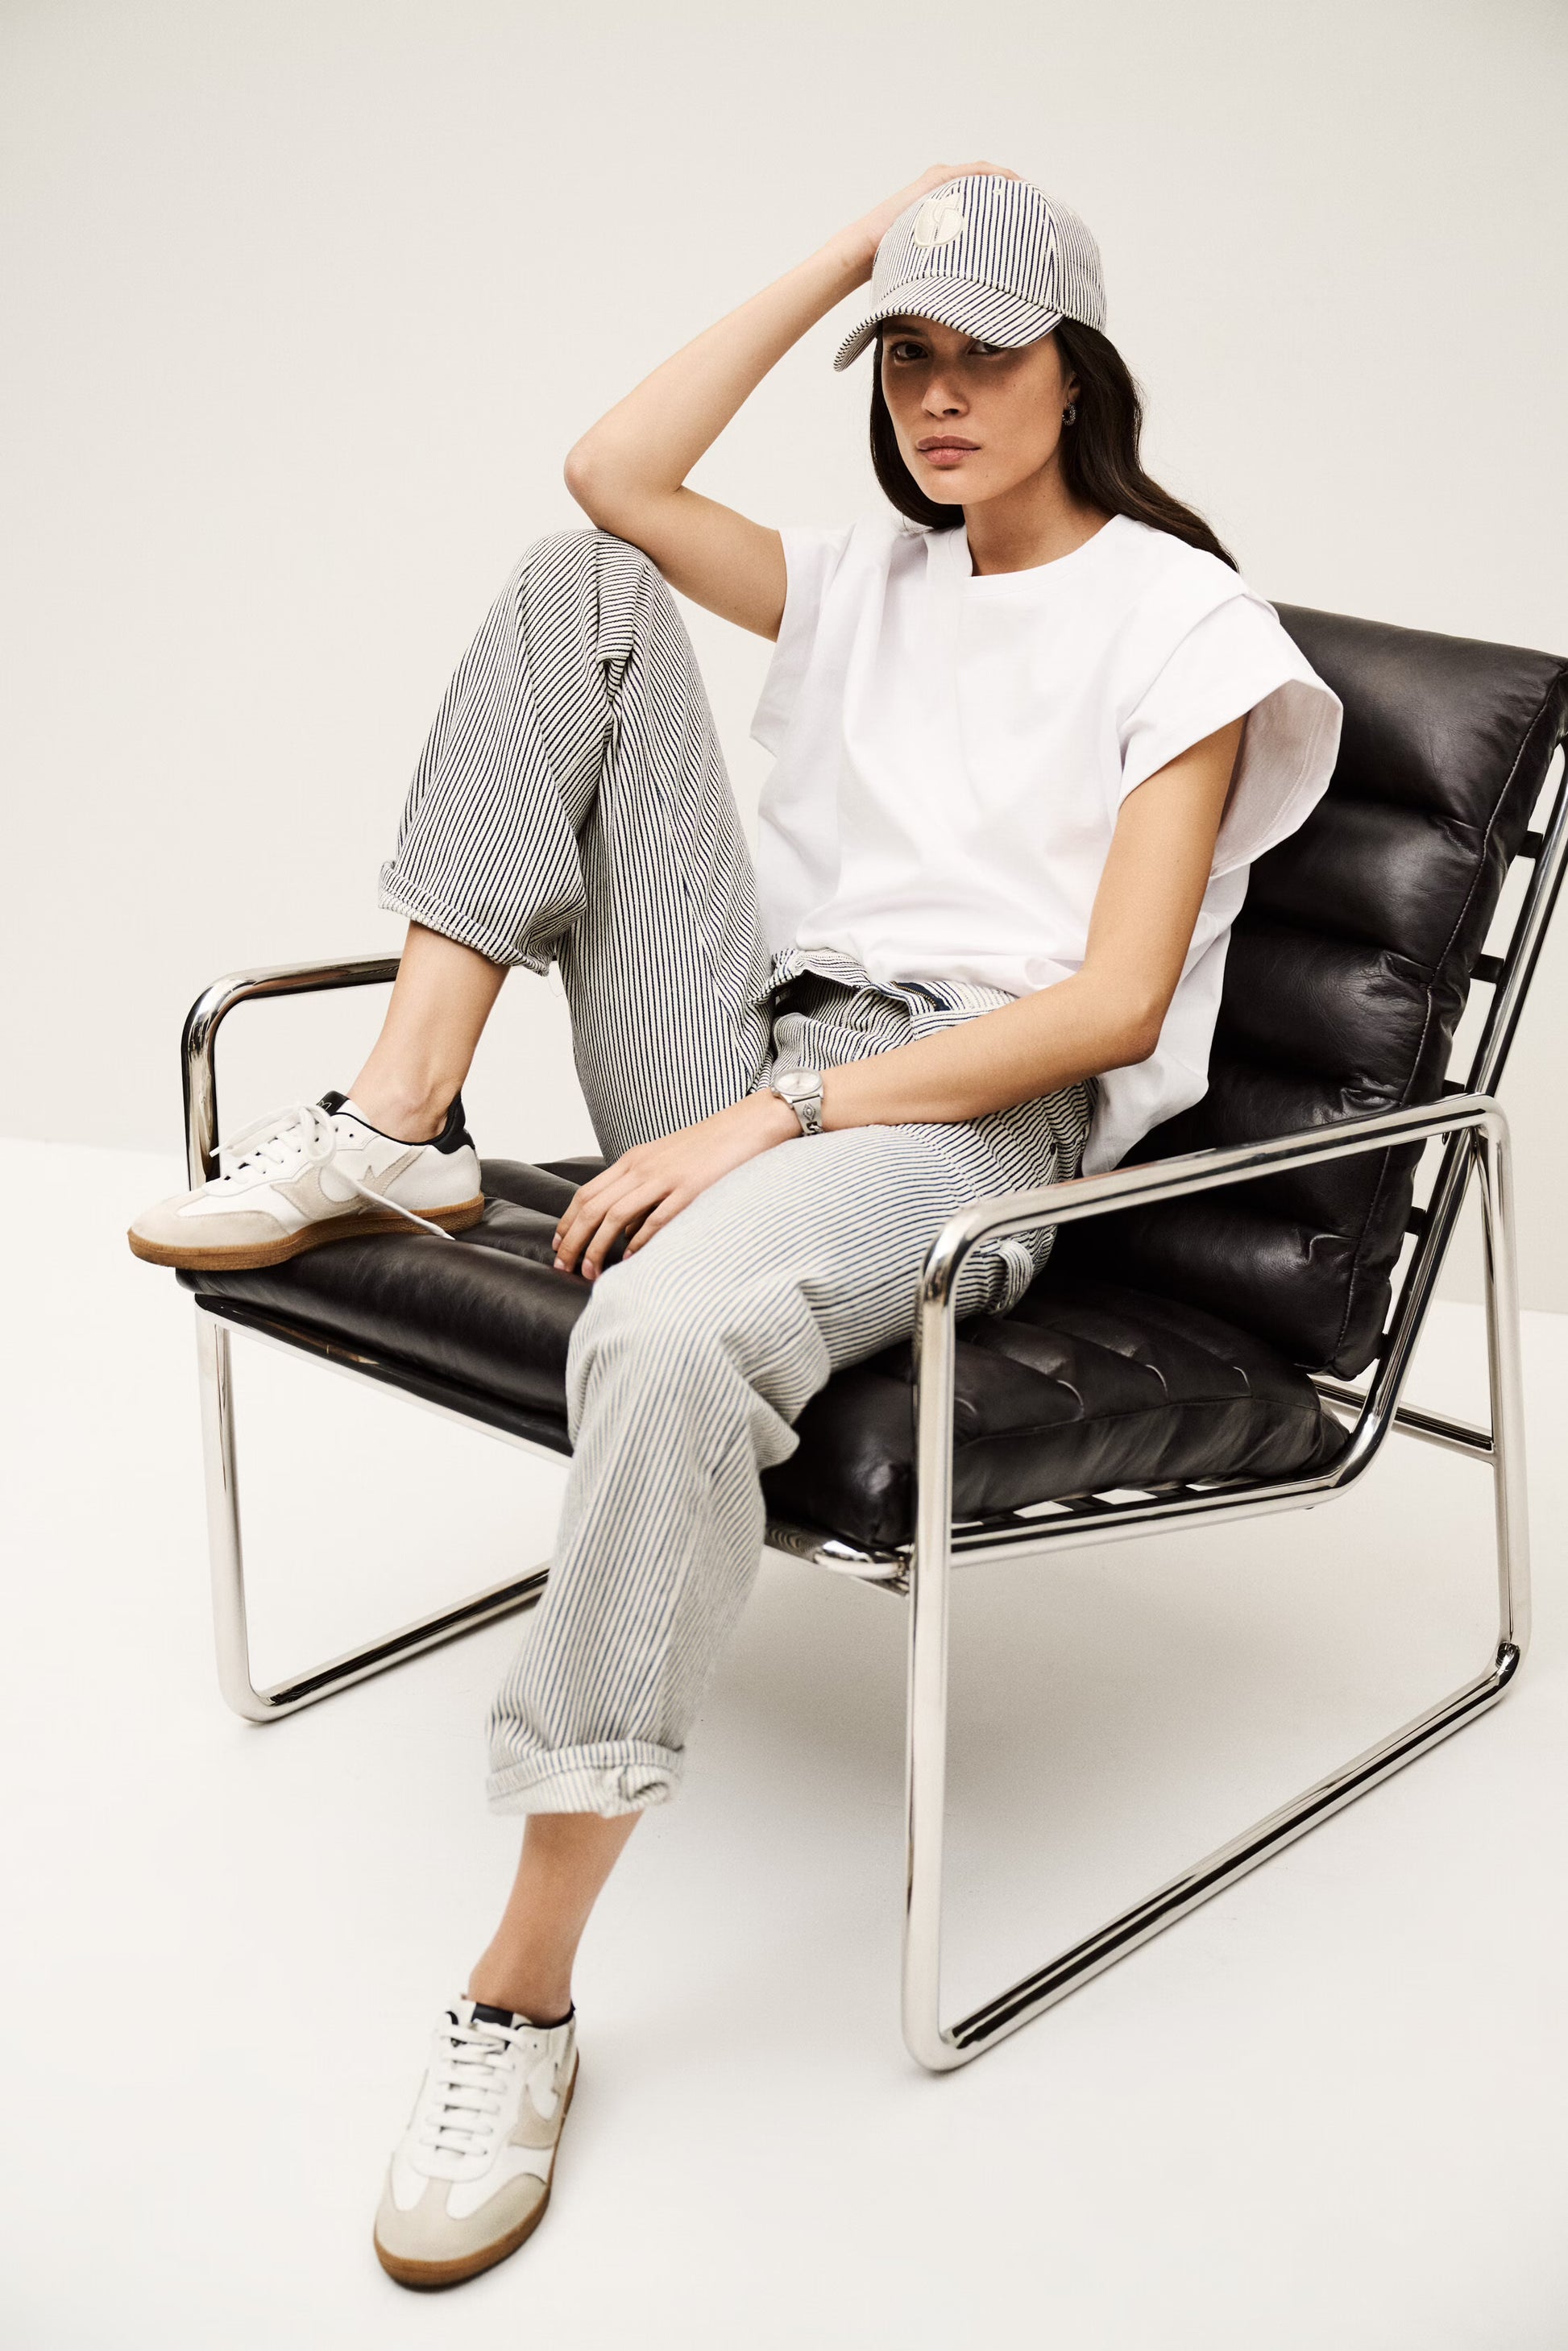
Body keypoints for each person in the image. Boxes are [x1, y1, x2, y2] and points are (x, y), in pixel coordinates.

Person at [127, 163, 1342, 2288]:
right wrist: (840, 260)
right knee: (572, 569)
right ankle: (401, 1118)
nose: (940, 394)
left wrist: (775, 1120)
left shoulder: (1180, 623)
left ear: (1080, 367)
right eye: (908, 356)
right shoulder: (868, 578)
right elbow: (611, 471)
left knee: (672, 1343)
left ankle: (518, 1997)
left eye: (985, 349)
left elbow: (1109, 1006)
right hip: (756, 1039)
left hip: (962, 1113)